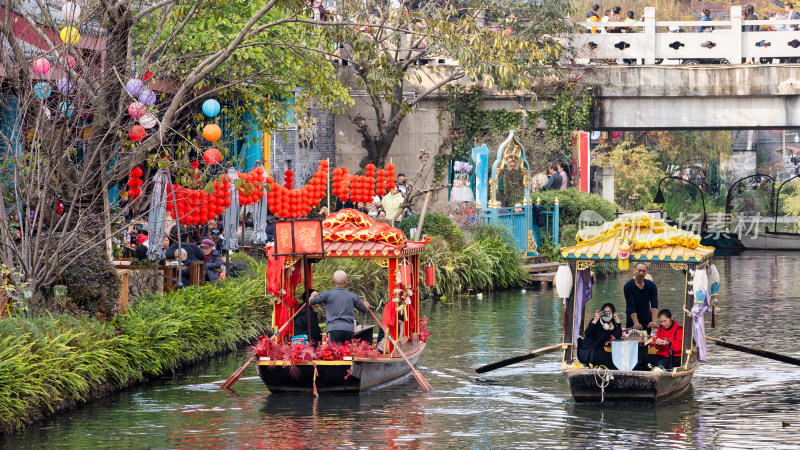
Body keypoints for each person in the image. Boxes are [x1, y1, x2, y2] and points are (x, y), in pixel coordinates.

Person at [309, 270, 370, 344]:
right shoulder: (353, 296)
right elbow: (364, 309)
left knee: (336, 352)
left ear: (333, 280)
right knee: (347, 353)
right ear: (346, 281)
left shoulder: (327, 295)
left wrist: (312, 295)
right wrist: (366, 304)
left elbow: (311, 302)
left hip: (333, 329)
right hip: (348, 330)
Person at [578, 302, 622, 369]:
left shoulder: (611, 326)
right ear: (601, 313)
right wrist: (595, 319)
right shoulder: (596, 321)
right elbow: (587, 333)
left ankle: (607, 373)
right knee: (609, 357)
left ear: (613, 314)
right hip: (587, 352)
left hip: (598, 352)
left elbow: (618, 336)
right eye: (605, 312)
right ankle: (608, 374)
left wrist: (618, 321)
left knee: (615, 357)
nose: (607, 315)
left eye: (609, 313)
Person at [624, 263, 659, 334]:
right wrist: (636, 323)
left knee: (645, 342)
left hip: (646, 317)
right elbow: (631, 305)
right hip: (632, 318)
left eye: (643, 271)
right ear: (634, 271)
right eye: (639, 271)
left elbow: (654, 304)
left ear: (646, 272)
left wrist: (654, 321)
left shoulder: (652, 285)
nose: (641, 273)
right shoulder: (628, 286)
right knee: (632, 341)